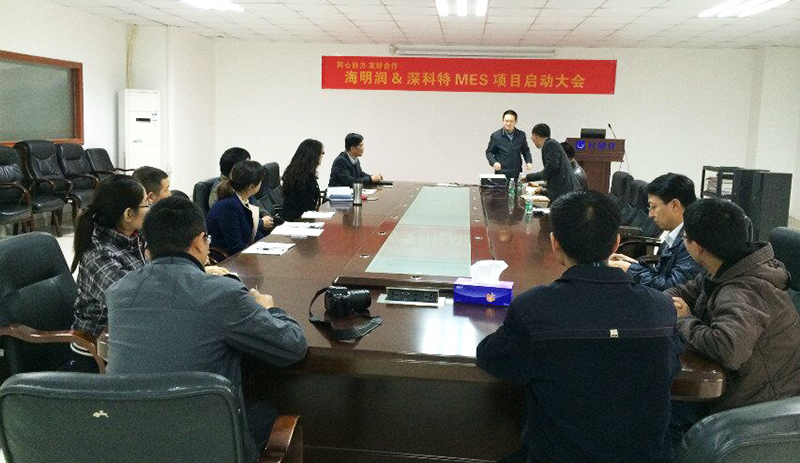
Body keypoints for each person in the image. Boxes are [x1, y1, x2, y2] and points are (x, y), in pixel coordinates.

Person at [477, 190, 681, 463]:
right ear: (616, 243)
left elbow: (491, 358)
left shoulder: (534, 308)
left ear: (555, 243)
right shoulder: (661, 308)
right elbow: (672, 366)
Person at [105, 196, 307, 463]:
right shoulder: (222, 294)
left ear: (147, 247)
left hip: (130, 441)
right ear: (200, 241)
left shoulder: (119, 291)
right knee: (267, 412)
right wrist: (269, 309)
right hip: (206, 446)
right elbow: (292, 346)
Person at [665, 198, 800, 443]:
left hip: (757, 409)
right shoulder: (727, 267)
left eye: (685, 236)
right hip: (738, 388)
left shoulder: (742, 291)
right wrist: (667, 302)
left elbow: (728, 349)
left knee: (660, 415)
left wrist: (684, 319)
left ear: (698, 248)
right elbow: (684, 291)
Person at [69, 175, 149, 371]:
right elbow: (130, 300)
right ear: (128, 214)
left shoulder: (134, 237)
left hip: (127, 331)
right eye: (147, 204)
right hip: (96, 345)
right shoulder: (99, 254)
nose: (150, 209)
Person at [609, 173, 701, 290]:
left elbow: (671, 287)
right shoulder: (675, 233)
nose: (650, 214)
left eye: (653, 207)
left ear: (674, 205)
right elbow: (661, 274)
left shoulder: (691, 240)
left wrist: (628, 269)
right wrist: (632, 264)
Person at [206, 160, 274, 256]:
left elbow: (254, 232)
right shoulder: (228, 206)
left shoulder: (247, 198)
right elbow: (236, 247)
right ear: (251, 187)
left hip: (247, 250)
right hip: (228, 258)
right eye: (260, 182)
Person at [525, 123, 582, 202]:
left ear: (535, 136)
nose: (532, 139)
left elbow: (552, 167)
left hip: (566, 193)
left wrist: (529, 177)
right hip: (565, 192)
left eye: (532, 136)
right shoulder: (550, 144)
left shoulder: (550, 144)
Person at [281, 138, 324, 221]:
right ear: (314, 155)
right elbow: (306, 205)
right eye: (322, 153)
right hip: (295, 221)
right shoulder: (301, 178)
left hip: (301, 218)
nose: (322, 156)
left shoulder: (302, 173)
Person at [485, 109, 532, 181]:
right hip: (501, 172)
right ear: (503, 121)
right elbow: (489, 152)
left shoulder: (521, 135)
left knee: (516, 188)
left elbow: (526, 151)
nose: (508, 123)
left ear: (515, 122)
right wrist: (494, 163)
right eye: (506, 121)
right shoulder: (496, 136)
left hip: (516, 172)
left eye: (511, 121)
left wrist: (528, 162)